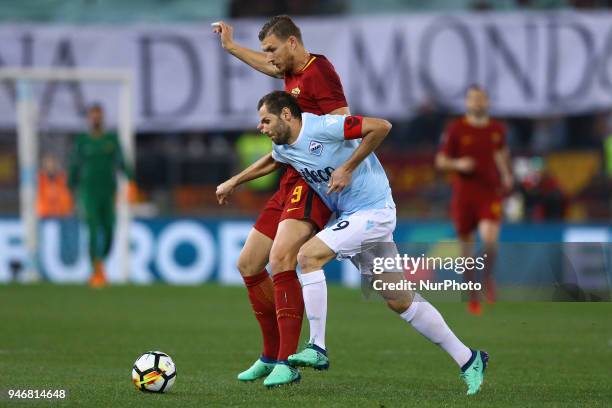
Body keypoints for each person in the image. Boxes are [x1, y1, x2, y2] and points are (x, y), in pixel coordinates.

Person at [256, 90, 489, 396]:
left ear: (286, 114)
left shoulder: (324, 127)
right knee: (400, 300)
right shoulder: (284, 147)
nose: (261, 127)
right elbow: (270, 162)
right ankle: (470, 359)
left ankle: (317, 346)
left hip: (374, 211)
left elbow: (381, 126)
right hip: (355, 215)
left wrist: (348, 167)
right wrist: (234, 182)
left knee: (308, 257)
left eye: (266, 120)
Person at [214, 15, 349, 387]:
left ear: (292, 43)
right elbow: (268, 68)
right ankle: (271, 354)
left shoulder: (319, 71)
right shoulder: (290, 75)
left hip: (310, 181)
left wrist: (338, 165)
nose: (269, 59)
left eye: (272, 49)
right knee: (249, 263)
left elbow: (342, 122)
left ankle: (287, 362)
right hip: (288, 176)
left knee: (281, 259)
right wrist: (230, 47)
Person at [435, 86, 513, 314]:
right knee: (466, 247)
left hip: (489, 192)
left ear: (487, 102)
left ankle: (487, 279)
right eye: (473, 99)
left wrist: (507, 174)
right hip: (464, 194)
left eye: (481, 99)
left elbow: (501, 153)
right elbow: (440, 161)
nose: (477, 103)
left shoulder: (497, 129)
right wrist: (458, 164)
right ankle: (472, 292)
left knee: (490, 240)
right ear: (468, 103)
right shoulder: (456, 129)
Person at [68, 103, 135, 288]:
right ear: (89, 118)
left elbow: (122, 162)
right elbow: (74, 166)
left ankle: (100, 262)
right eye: (93, 115)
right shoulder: (82, 141)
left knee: (110, 230)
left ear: (102, 117)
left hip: (108, 192)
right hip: (88, 193)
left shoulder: (111, 139)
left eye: (98, 115)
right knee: (92, 228)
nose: (96, 118)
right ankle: (96, 271)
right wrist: (69, 189)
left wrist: (131, 181)